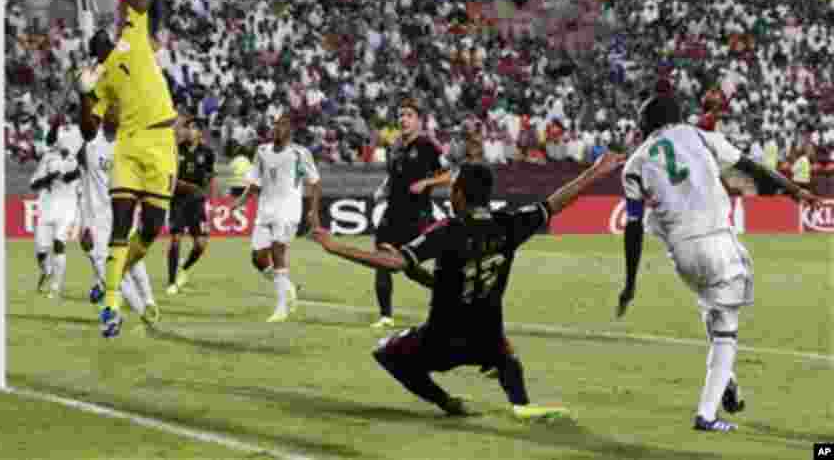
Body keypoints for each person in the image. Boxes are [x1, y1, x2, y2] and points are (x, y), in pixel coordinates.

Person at [310, 154, 625, 417]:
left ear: (459, 194)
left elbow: (393, 263)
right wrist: (596, 172)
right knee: (502, 348)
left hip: (441, 341)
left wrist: (335, 247)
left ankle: (447, 403)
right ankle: (522, 404)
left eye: (453, 186)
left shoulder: (448, 230)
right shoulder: (510, 225)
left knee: (386, 353)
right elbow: (554, 203)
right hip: (487, 340)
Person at [617, 94, 823, 432]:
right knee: (726, 332)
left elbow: (634, 226)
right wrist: (794, 191)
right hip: (716, 240)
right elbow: (751, 169)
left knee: (711, 308)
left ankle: (726, 381)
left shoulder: (635, 164)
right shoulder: (699, 136)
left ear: (647, 124)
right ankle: (707, 415)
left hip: (682, 254)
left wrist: (629, 282)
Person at [77, 0, 178, 338]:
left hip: (162, 142)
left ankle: (113, 282)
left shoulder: (133, 34)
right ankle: (113, 307)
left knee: (152, 229)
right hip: (130, 147)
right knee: (121, 225)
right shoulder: (98, 78)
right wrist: (82, 95)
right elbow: (89, 130)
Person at [371, 97, 451, 329]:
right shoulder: (395, 146)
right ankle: (385, 316)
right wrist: (383, 188)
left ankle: (445, 290)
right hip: (391, 215)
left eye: (408, 115)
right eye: (400, 115)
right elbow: (392, 175)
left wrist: (426, 183)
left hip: (417, 216)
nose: (403, 119)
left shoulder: (428, 145)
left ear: (418, 120)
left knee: (411, 269)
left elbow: (448, 175)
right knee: (381, 260)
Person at [235, 112, 321, 322]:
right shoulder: (262, 151)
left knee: (277, 250)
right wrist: (243, 200)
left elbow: (315, 182)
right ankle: (288, 288)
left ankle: (282, 307)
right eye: (274, 124)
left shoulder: (300, 153)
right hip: (266, 209)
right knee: (257, 258)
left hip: (288, 209)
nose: (276, 128)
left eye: (281, 125)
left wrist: (313, 211)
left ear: (290, 129)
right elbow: (255, 181)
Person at [77, 109, 158, 321]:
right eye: (110, 113)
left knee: (129, 262)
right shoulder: (90, 146)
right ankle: (140, 310)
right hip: (97, 218)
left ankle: (148, 303)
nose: (114, 116)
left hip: (123, 212)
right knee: (110, 267)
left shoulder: (128, 147)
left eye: (117, 113)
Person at [29, 124, 80, 299]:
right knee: (41, 252)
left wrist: (65, 176)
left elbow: (76, 175)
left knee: (59, 243)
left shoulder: (75, 159)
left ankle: (55, 288)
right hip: (47, 206)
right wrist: (50, 178)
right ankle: (47, 271)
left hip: (67, 206)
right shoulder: (48, 158)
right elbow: (33, 184)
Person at [167, 117, 216, 295]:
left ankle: (184, 269)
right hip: (178, 201)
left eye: (193, 128)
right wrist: (189, 187)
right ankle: (171, 282)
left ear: (200, 133)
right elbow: (170, 177)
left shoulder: (208, 153)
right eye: (187, 128)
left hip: (197, 203)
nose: (188, 131)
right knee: (175, 239)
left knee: (201, 244)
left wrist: (211, 197)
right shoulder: (175, 150)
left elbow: (210, 176)